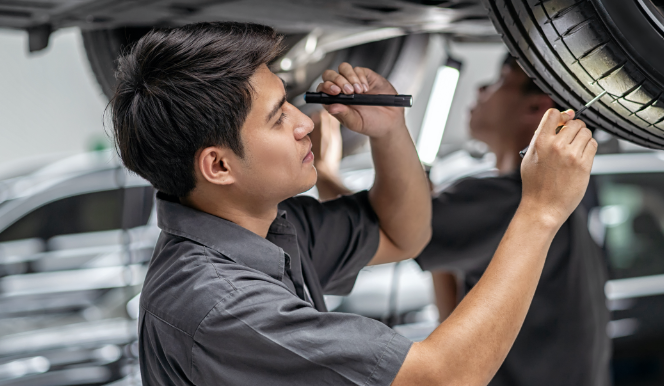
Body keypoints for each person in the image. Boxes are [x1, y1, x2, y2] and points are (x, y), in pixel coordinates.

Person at [110, 22, 597, 386]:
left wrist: (389, 133)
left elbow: (402, 234)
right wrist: (541, 210)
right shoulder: (222, 306)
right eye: (279, 118)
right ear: (218, 167)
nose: (305, 122)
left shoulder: (271, 229)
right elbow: (442, 378)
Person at [419, 55, 612, 385]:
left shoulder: (510, 201)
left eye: (500, 79)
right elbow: (455, 319)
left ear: (537, 109)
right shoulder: (557, 208)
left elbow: (378, 231)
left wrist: (327, 168)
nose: (481, 88)